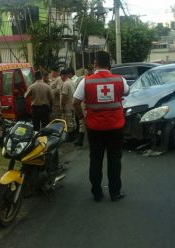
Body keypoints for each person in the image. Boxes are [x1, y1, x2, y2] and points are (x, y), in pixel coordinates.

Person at [73, 51, 129, 202]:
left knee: (95, 160)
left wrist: (82, 118)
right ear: (110, 64)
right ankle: (115, 193)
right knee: (115, 159)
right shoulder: (120, 80)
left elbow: (75, 102)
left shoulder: (86, 82)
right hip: (116, 127)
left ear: (95, 64)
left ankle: (97, 193)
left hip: (94, 128)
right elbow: (127, 92)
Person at [73, 64, 94, 147]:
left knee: (91, 121)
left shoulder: (95, 78)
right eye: (88, 70)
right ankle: (80, 139)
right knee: (82, 122)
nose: (90, 71)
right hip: (82, 101)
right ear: (85, 70)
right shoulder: (81, 79)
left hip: (91, 102)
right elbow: (76, 90)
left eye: (91, 69)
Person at [60, 68, 76, 141]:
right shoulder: (72, 82)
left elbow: (64, 96)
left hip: (67, 106)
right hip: (72, 105)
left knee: (68, 122)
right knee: (73, 120)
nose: (61, 78)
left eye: (61, 76)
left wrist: (62, 106)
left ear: (64, 75)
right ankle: (73, 135)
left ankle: (70, 138)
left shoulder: (66, 84)